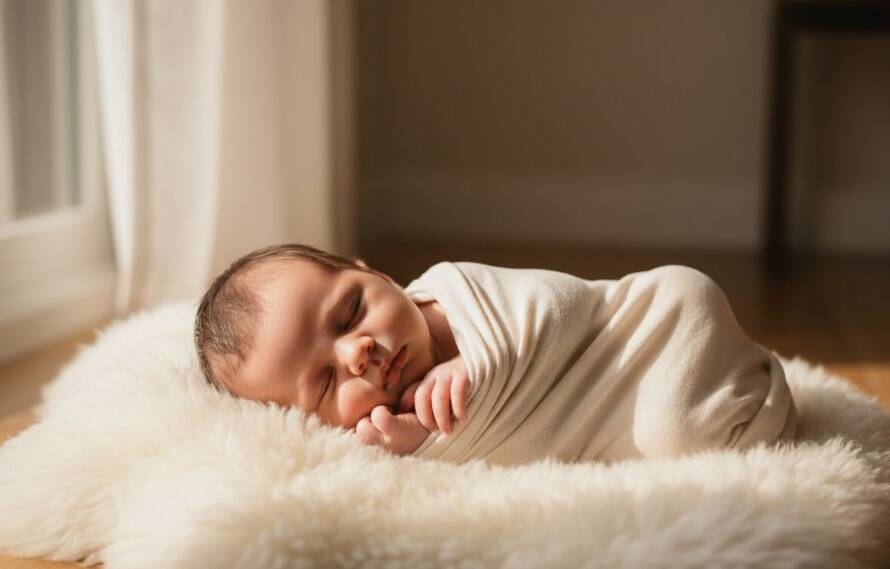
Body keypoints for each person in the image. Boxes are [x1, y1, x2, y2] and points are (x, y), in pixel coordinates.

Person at [194, 243, 797, 467]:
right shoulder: (384, 429)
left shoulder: (458, 292)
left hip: (638, 335)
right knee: (676, 440)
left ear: (371, 271)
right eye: (325, 383)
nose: (358, 354)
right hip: (602, 421)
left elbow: (561, 305)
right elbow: (495, 453)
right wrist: (415, 445)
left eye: (350, 313)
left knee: (685, 297)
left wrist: (475, 366)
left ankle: (736, 387)